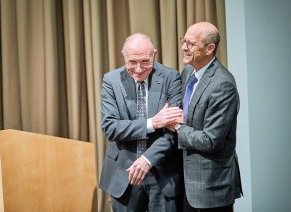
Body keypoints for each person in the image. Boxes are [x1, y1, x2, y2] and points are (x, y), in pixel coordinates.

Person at [99, 33, 184, 212]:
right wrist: (152, 123)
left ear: (154, 54)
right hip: (124, 173)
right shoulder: (111, 80)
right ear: (123, 56)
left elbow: (173, 130)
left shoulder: (171, 77)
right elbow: (110, 128)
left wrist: (147, 159)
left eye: (145, 61)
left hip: (162, 173)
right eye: (132, 62)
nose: (138, 69)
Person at [167, 22, 243, 212]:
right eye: (183, 41)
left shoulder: (223, 84)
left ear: (210, 48)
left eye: (191, 44)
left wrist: (176, 127)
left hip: (211, 187)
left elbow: (211, 140)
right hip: (186, 182)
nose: (184, 47)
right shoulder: (187, 73)